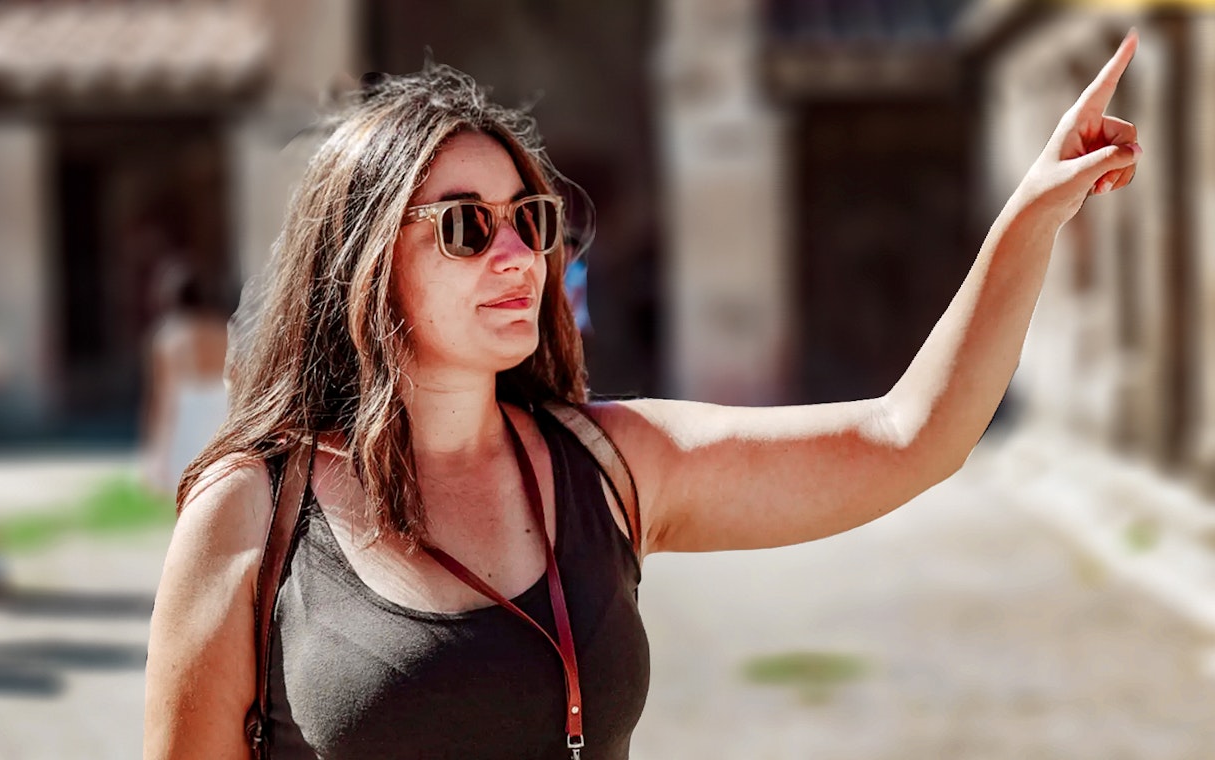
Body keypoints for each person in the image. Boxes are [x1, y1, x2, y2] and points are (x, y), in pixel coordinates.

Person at [144, 30, 1143, 759]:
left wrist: (1029, 217)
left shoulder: (606, 468)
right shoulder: (253, 512)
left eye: (529, 219)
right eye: (463, 227)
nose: (515, 254)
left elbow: (906, 438)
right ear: (363, 265)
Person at [140, 261, 230, 497]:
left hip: (188, 411)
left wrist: (158, 449)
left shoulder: (169, 338)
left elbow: (164, 394)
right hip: (221, 402)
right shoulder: (221, 329)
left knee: (188, 492)